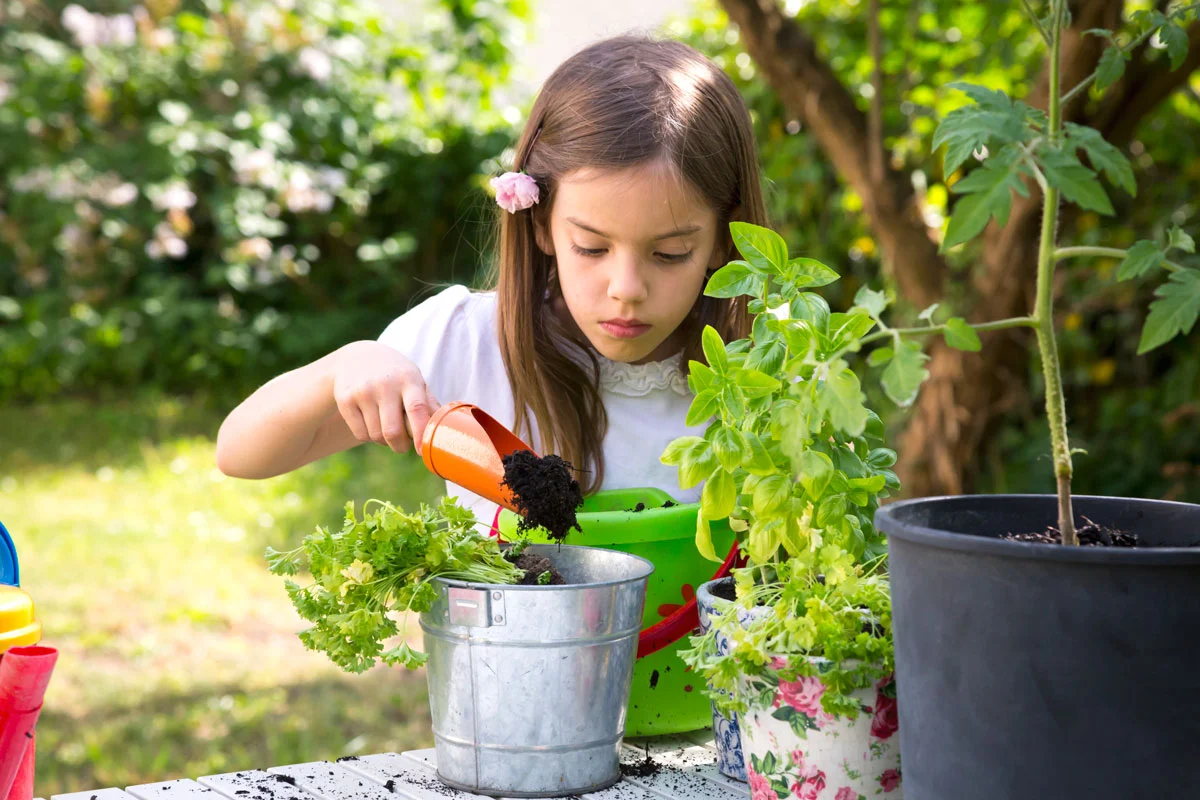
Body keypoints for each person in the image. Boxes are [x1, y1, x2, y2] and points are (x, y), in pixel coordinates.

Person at [216, 34, 770, 529]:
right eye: (592, 247)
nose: (626, 287)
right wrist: (344, 367)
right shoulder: (470, 341)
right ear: (541, 223)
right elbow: (242, 453)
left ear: (727, 237)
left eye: (670, 253)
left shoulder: (764, 375)